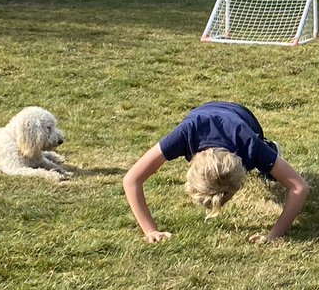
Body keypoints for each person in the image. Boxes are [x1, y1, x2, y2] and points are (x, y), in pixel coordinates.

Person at [122, 101, 308, 245]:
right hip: (204, 110)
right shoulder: (186, 133)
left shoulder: (248, 142)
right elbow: (131, 180)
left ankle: (270, 152)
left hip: (243, 117)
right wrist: (150, 231)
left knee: (266, 166)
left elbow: (299, 187)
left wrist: (274, 234)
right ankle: (269, 161)